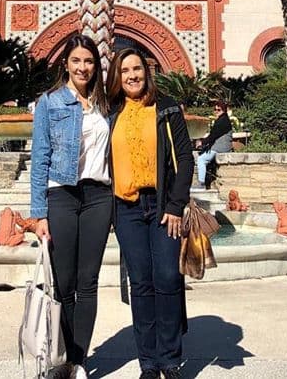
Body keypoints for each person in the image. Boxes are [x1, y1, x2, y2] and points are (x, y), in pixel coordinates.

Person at [107, 47, 195, 379]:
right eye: (125, 70)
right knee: (141, 284)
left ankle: (170, 359)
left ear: (147, 71)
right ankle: (148, 362)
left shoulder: (167, 106)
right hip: (126, 209)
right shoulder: (111, 112)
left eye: (137, 69)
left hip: (162, 208)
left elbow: (184, 159)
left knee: (169, 279)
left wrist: (175, 205)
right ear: (118, 76)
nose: (132, 75)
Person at [30, 35, 112, 379]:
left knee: (88, 281)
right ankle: (61, 358)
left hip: (98, 197)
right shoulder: (50, 102)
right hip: (62, 195)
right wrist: (38, 213)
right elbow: (40, 158)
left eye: (89, 61)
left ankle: (79, 360)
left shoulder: (106, 105)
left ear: (97, 66)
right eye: (77, 61)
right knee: (64, 283)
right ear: (66, 63)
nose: (83, 67)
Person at [195, 99, 233, 188]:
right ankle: (206, 181)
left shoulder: (222, 121)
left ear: (224, 110)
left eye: (219, 110)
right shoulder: (223, 119)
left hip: (221, 147)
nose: (216, 112)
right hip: (220, 146)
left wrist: (202, 142)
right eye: (215, 110)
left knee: (201, 159)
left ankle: (201, 184)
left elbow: (213, 135)